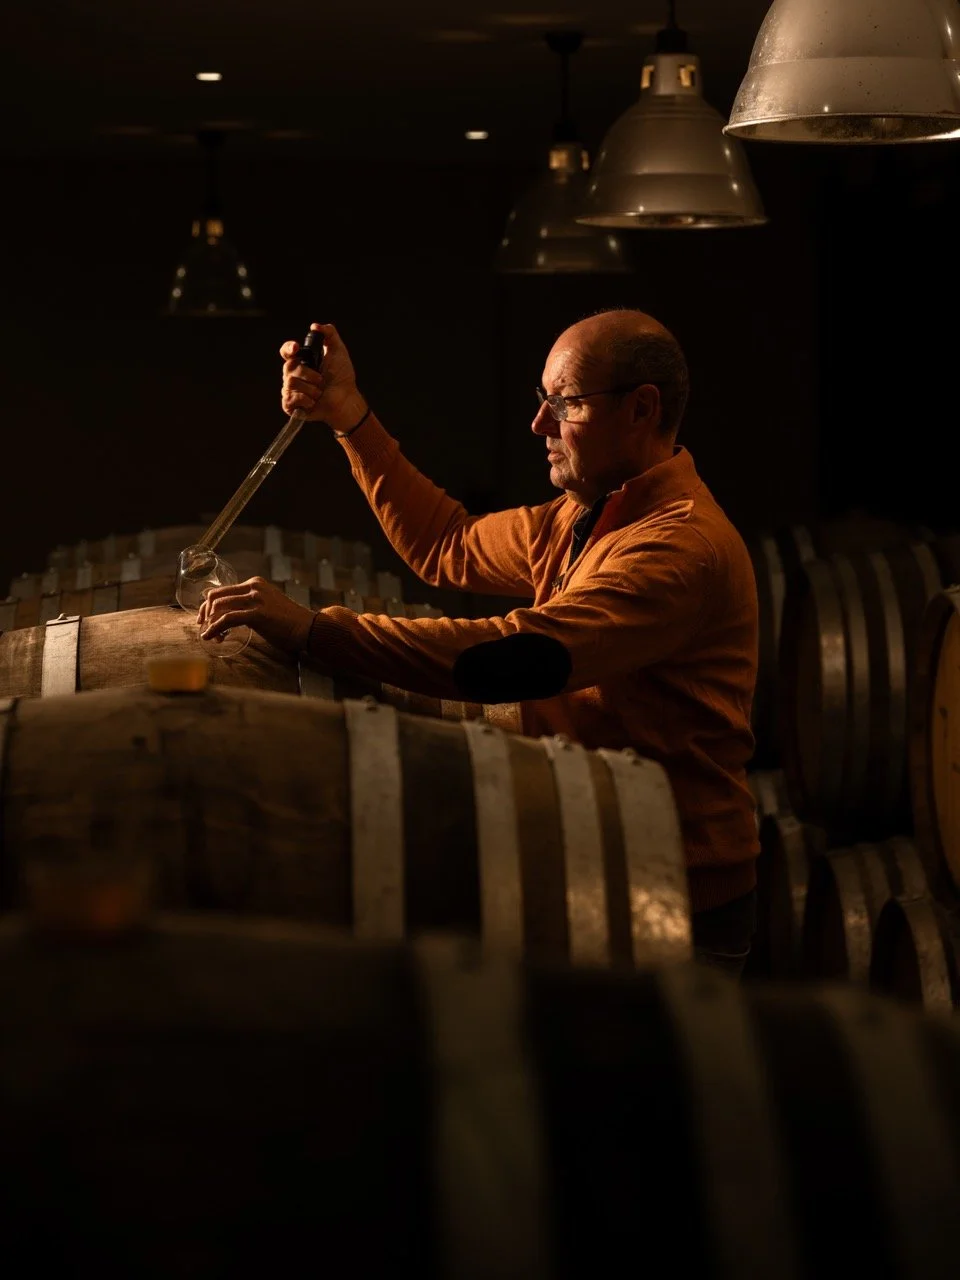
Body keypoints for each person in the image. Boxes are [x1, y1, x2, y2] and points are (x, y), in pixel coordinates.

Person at [199, 309, 760, 975]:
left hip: (676, 894)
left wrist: (316, 629)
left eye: (565, 403)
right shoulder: (586, 514)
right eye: (540, 400)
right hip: (608, 854)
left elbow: (508, 658)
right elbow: (448, 544)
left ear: (641, 410)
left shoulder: (676, 548)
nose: (540, 425)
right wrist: (350, 416)